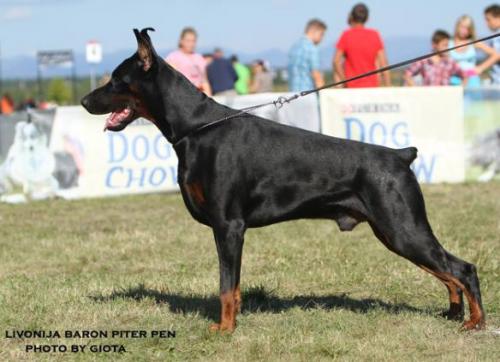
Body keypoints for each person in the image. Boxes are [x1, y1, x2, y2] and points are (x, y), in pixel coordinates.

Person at [333, 3, 390, 87]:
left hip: (352, 88)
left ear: (352, 16)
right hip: (372, 87)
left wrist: (345, 82)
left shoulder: (346, 35)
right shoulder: (375, 35)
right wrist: (388, 86)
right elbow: (384, 64)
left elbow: (336, 61)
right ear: (367, 18)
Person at [449, 15, 498, 88]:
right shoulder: (448, 43)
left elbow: (496, 55)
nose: (464, 31)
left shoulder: (474, 43)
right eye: (462, 27)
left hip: (471, 79)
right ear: (457, 26)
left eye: (468, 28)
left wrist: (481, 68)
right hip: (454, 79)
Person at [165, 27, 211, 95]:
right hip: (182, 96)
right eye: (188, 41)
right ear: (181, 41)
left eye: (193, 41)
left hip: (199, 96)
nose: (191, 44)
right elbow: (171, 82)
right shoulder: (173, 58)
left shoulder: (199, 58)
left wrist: (209, 97)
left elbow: (205, 81)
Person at [288, 18, 327, 92]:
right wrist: (324, 95)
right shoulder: (312, 48)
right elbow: (316, 75)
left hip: (293, 94)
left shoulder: (294, 47)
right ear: (313, 31)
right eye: (322, 34)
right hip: (308, 94)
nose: (322, 38)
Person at [484, 4, 500, 85]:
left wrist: (479, 69)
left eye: (488, 19)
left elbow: (498, 55)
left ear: (498, 17)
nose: (486, 23)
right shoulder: (494, 36)